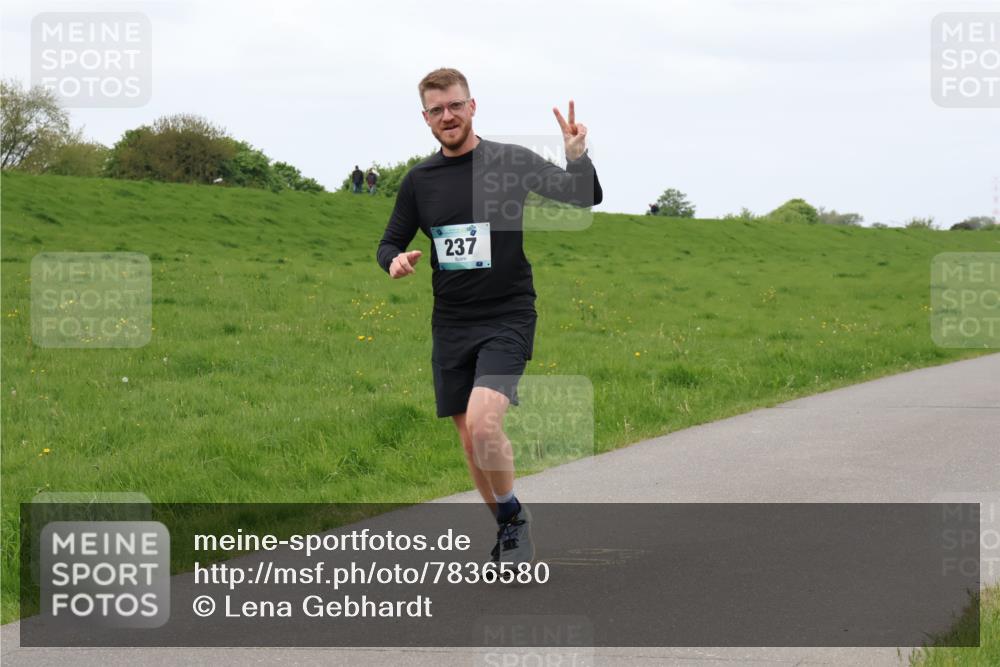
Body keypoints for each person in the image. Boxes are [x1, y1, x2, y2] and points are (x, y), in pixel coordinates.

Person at [376, 68, 602, 564]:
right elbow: (391, 238)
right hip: (452, 322)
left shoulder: (509, 161)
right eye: (436, 110)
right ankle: (509, 522)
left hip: (507, 314)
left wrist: (576, 157)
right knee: (468, 439)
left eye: (455, 105)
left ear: (472, 106)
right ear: (425, 118)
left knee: (483, 424)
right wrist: (393, 259)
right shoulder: (420, 181)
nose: (447, 116)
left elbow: (581, 197)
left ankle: (513, 521)